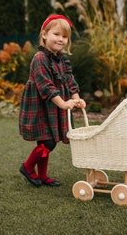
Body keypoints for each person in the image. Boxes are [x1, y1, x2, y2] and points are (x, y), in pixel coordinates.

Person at [19, 14, 86, 187]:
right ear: (44, 35)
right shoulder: (39, 58)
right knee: (47, 141)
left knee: (48, 140)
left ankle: (42, 176)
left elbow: (70, 80)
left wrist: (77, 99)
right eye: (56, 34)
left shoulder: (62, 59)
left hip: (53, 105)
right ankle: (27, 167)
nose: (61, 39)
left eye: (65, 36)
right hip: (40, 104)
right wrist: (63, 104)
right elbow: (46, 86)